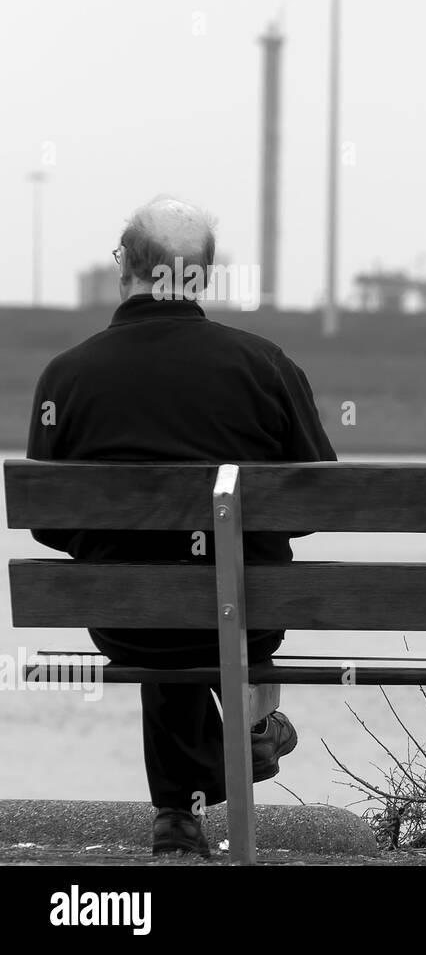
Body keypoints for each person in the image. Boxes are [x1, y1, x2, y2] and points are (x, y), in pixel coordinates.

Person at [25, 197, 337, 857]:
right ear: (201, 277)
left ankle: (181, 811)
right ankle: (247, 736)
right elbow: (315, 503)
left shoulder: (68, 376)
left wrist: (123, 541)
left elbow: (48, 525)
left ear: (126, 267)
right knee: (223, 587)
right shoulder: (265, 366)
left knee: (160, 598)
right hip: (250, 612)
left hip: (124, 617)